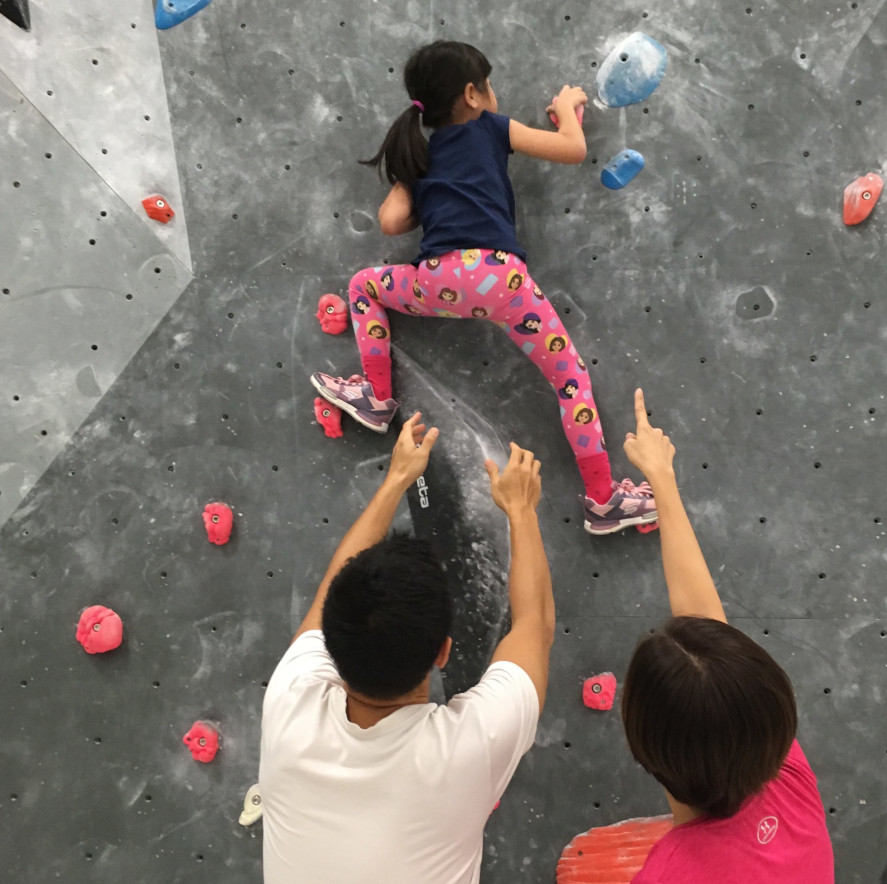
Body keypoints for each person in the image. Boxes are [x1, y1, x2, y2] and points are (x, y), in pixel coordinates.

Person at [309, 39, 657, 536]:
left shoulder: (425, 156)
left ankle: (376, 396)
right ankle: (603, 501)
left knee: (365, 286)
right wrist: (565, 111)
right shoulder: (490, 128)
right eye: (489, 85)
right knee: (570, 382)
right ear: (472, 94)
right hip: (503, 282)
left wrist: (413, 173)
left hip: (439, 285)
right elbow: (573, 149)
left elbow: (389, 222)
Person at [258, 413, 554, 884]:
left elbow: (330, 590)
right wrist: (521, 511)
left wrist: (397, 479)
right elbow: (534, 627)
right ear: (444, 653)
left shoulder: (289, 703)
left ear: (331, 645)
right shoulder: (465, 753)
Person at [619, 389, 835, 883]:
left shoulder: (665, 875)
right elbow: (706, 626)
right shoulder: (783, 775)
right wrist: (663, 482)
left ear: (639, 747)